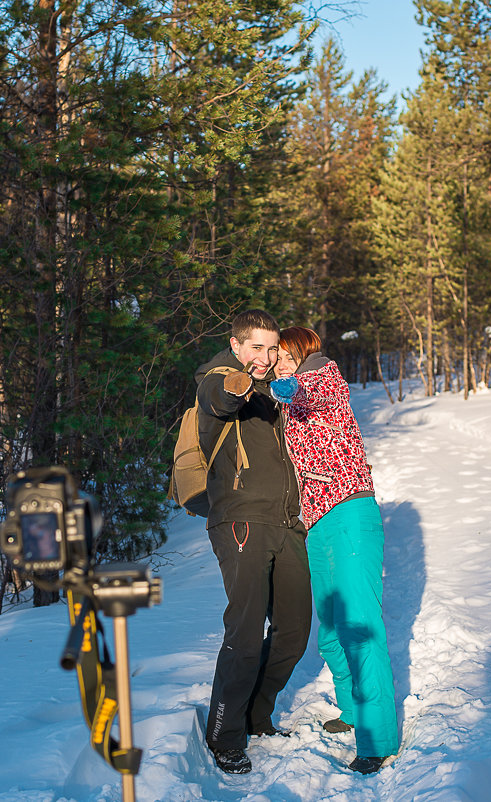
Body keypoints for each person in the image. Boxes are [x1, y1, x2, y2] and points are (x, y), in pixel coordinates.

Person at [271, 326, 399, 775]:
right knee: (329, 630)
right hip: (318, 522)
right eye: (276, 357)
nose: (280, 363)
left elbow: (310, 393)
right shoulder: (288, 402)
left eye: (286, 355)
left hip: (349, 513)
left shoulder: (323, 375)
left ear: (303, 354)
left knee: (360, 625)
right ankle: (351, 708)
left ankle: (377, 737)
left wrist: (283, 382)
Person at [195, 310, 312, 775]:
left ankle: (256, 714)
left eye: (271, 348)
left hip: (287, 525)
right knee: (245, 635)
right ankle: (224, 734)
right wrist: (239, 382)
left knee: (294, 632)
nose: (264, 357)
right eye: (256, 347)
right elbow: (219, 395)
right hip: (241, 522)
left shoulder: (273, 390)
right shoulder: (219, 376)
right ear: (237, 345)